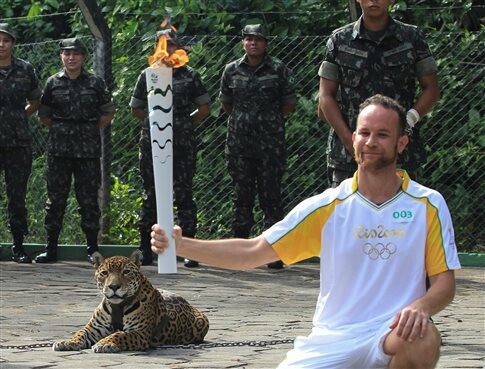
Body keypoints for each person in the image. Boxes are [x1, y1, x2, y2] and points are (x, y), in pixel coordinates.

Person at [151, 94, 460, 368]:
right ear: (353, 139)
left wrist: (421, 307)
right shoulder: (328, 206)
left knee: (422, 338)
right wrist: (182, 245)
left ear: (401, 143)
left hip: (391, 333)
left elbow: (444, 284)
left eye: (382, 134)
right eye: (364, 133)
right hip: (333, 339)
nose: (370, 142)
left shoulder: (426, 204)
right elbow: (254, 251)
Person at [318, 0, 440, 187]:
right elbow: (325, 97)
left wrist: (408, 120)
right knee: (347, 214)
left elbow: (432, 88)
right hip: (348, 156)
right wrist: (349, 140)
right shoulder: (339, 39)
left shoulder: (412, 37)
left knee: (401, 213)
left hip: (399, 151)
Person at [130, 28, 210, 267]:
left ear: (178, 47)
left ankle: (188, 250)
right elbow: (136, 108)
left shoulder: (190, 75)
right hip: (153, 144)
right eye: (162, 43)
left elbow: (204, 108)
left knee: (184, 194)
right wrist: (156, 124)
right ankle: (146, 249)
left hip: (182, 144)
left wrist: (182, 123)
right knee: (151, 194)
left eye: (172, 43)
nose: (167, 48)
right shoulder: (149, 74)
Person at [219, 24, 297, 269]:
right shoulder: (231, 70)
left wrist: (267, 123)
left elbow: (289, 103)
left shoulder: (278, 70)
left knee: (271, 199)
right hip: (240, 146)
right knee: (241, 198)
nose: (253, 43)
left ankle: (273, 254)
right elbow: (227, 104)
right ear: (243, 42)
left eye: (258, 39)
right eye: (249, 39)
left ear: (266, 43)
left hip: (270, 146)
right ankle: (239, 253)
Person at [36, 37, 115, 263]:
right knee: (55, 200)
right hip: (58, 152)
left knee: (89, 200)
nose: (71, 58)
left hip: (88, 152)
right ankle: (51, 248)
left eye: (76, 54)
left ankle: (92, 248)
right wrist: (64, 129)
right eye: (67, 53)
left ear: (83, 57)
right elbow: (44, 116)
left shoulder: (95, 83)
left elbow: (108, 113)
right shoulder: (52, 83)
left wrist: (87, 130)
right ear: (61, 56)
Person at [0, 23, 41, 264]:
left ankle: (18, 246)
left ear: (13, 43)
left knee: (17, 195)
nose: (1, 44)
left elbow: (35, 100)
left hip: (17, 142)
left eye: (6, 40)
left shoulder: (25, 69)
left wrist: (17, 117)